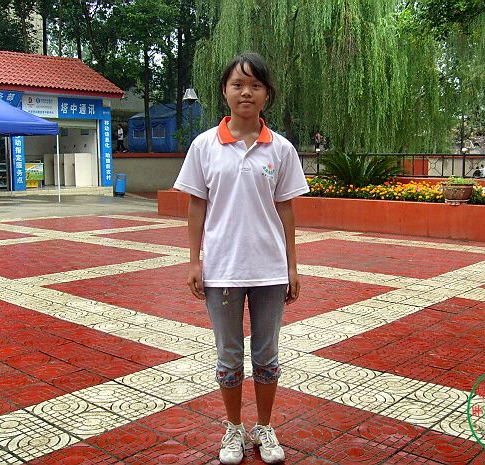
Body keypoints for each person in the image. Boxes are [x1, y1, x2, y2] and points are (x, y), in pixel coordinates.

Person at [174, 52, 309, 465]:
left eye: (255, 85)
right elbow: (197, 206)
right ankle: (234, 427)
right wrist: (194, 261)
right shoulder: (204, 146)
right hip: (222, 270)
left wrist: (292, 266)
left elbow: (286, 209)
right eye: (237, 84)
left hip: (269, 270)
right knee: (229, 355)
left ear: (267, 94)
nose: (246, 92)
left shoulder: (281, 149)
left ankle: (264, 427)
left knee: (267, 355)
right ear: (224, 92)